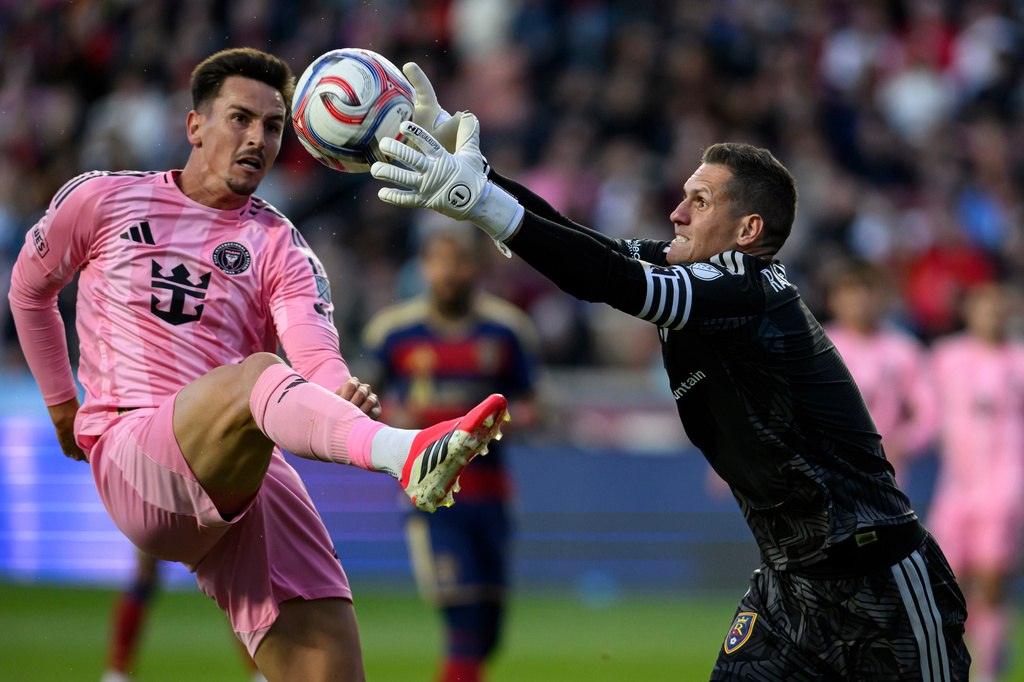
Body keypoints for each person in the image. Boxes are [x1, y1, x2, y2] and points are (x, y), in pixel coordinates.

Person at [367, 67, 971, 681]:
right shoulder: (695, 272)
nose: (677, 214)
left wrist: (483, 205)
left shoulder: (745, 287)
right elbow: (583, 247)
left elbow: (610, 281)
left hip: (879, 576)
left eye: (700, 201)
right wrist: (481, 176)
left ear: (748, 232)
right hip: (788, 586)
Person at [7, 48, 509, 682]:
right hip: (134, 455)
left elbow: (315, 358)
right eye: (240, 119)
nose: (257, 139)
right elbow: (29, 289)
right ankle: (406, 454)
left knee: (331, 668)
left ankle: (393, 451)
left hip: (238, 470)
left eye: (272, 127)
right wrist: (60, 404)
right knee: (255, 374)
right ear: (194, 126)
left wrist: (338, 395)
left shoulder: (281, 247)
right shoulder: (104, 201)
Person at [363, 224, 540, 682]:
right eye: (439, 260)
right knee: (461, 625)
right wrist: (390, 422)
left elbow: (534, 404)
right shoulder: (394, 333)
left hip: (492, 495)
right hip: (431, 497)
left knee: (487, 634)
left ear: (476, 267)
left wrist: (513, 421)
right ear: (424, 267)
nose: (449, 271)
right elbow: (362, 402)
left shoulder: (507, 331)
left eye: (459, 260)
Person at [927, 283, 1024, 682]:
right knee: (945, 581)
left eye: (999, 307)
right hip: (956, 484)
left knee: (991, 577)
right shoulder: (945, 357)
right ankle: (959, 658)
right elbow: (924, 410)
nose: (992, 315)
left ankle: (987, 670)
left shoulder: (1019, 360)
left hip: (1005, 484)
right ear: (969, 311)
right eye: (984, 306)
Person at [823, 259, 938, 485]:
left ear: (883, 298)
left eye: (869, 292)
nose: (860, 301)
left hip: (883, 474)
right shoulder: (813, 346)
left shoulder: (903, 349)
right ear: (834, 300)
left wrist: (905, 441)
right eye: (851, 292)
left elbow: (930, 410)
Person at [101, 551, 265, 682]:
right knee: (233, 582)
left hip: (162, 513)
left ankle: (117, 674)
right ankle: (261, 673)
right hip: (206, 512)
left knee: (144, 578)